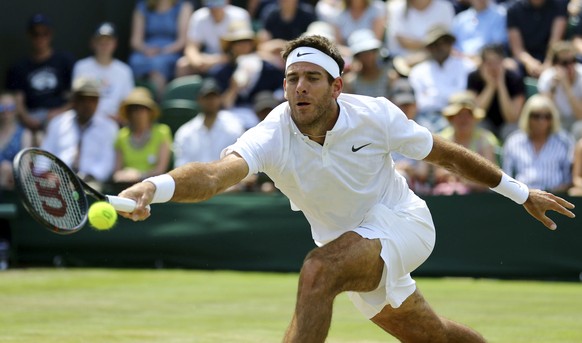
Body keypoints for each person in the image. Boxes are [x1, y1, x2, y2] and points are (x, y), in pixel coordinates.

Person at [116, 34, 575, 342]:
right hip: (346, 244)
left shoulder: (375, 114)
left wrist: (521, 193)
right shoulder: (272, 132)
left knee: (317, 272)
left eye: (312, 78)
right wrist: (155, 187)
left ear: (336, 86)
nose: (300, 88)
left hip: (404, 223)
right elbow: (217, 175)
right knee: (432, 335)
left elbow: (447, 155)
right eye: (292, 79)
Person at [5, 13, 75, 144]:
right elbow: (17, 101)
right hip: (30, 118)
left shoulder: (65, 61)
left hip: (60, 117)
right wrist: (27, 120)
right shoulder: (18, 67)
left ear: (51, 34)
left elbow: (75, 98)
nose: (40, 38)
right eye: (35, 34)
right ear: (29, 36)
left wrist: (58, 113)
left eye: (45, 33)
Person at [41, 77, 118, 189]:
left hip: (91, 182)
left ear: (98, 102)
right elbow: (44, 155)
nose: (87, 104)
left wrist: (87, 177)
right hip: (57, 180)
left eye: (92, 99)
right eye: (82, 99)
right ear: (74, 100)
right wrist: (47, 174)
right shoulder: (58, 123)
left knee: (93, 189)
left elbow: (107, 162)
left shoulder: (109, 127)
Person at [209, 20, 284, 129]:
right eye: (238, 42)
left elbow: (280, 90)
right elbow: (221, 105)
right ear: (231, 47)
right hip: (232, 122)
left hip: (263, 121)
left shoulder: (268, 69)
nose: (243, 46)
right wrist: (233, 88)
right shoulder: (222, 72)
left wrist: (269, 101)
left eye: (246, 42)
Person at [408, 25, 475, 132]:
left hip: (459, 115)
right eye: (434, 45)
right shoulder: (418, 71)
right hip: (426, 117)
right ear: (429, 48)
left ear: (450, 44)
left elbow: (469, 97)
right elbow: (419, 103)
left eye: (443, 43)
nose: (438, 48)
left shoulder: (467, 66)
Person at [503, 94, 575, 193]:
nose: (542, 121)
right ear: (527, 117)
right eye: (536, 116)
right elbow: (507, 176)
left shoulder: (564, 141)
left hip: (556, 197)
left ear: (552, 119)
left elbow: (570, 179)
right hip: (522, 197)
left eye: (546, 117)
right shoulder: (514, 142)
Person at [433, 91, 501, 195]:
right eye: (459, 114)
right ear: (452, 118)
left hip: (480, 197)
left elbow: (490, 176)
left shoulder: (486, 139)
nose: (464, 119)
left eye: (468, 114)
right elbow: (439, 172)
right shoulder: (442, 139)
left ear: (474, 117)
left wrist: (464, 181)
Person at [128, 0, 193, 100]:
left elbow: (182, 41)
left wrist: (163, 51)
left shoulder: (183, 6)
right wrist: (146, 49)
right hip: (146, 52)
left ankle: (160, 102)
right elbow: (135, 41)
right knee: (135, 61)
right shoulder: (142, 7)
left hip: (171, 51)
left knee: (158, 64)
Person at [173, 77, 244, 167]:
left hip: (228, 179)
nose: (211, 101)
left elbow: (238, 162)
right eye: (207, 97)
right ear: (199, 100)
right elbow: (181, 167)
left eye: (214, 97)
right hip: (196, 180)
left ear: (220, 99)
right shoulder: (185, 133)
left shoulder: (234, 126)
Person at [73, 22, 134, 123]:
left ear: (115, 44)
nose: (104, 45)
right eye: (100, 41)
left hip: (115, 123)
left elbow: (127, 102)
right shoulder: (81, 67)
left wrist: (119, 118)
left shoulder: (124, 71)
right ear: (93, 43)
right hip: (86, 121)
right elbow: (77, 100)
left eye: (108, 41)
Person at [175, 0, 252, 77]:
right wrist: (198, 62)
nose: (214, 5)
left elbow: (243, 50)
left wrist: (216, 60)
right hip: (206, 58)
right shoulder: (198, 17)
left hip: (232, 61)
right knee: (183, 64)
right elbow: (191, 47)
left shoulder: (240, 15)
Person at [113, 87, 172, 184]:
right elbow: (116, 172)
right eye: (133, 109)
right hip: (125, 186)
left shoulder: (162, 132)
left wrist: (139, 175)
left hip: (154, 187)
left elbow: (161, 170)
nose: (137, 113)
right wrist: (124, 176)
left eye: (142, 109)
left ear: (150, 112)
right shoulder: (121, 135)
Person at [467, 44, 525, 140]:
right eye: (489, 63)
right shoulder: (473, 77)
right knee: (477, 127)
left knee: (512, 131)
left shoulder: (515, 78)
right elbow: (475, 114)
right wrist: (490, 86)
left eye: (497, 62)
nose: (493, 67)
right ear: (482, 63)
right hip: (485, 124)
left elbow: (512, 118)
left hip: (507, 125)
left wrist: (501, 84)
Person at [386, 0, 455, 76]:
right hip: (402, 68)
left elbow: (446, 41)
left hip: (437, 64)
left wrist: (424, 55)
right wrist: (434, 43)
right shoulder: (395, 8)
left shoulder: (445, 7)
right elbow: (402, 41)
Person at [506, 0, 568, 78]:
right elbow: (517, 49)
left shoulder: (559, 5)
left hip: (551, 57)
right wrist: (529, 63)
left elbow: (555, 42)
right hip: (525, 60)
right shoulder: (514, 9)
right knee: (510, 69)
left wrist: (548, 63)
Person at [537, 40, 582, 140]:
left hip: (577, 122)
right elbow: (544, 112)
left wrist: (567, 87)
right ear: (555, 65)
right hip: (558, 122)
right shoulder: (547, 78)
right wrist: (553, 87)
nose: (570, 66)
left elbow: (580, 116)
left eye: (573, 61)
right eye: (565, 63)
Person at [342, 29, 395, 98]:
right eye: (364, 53)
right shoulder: (350, 82)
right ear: (357, 56)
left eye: (372, 51)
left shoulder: (390, 77)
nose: (369, 56)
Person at [451, 0, 508, 64]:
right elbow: (453, 48)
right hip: (461, 62)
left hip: (488, 62)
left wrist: (479, 58)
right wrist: (467, 57)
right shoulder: (460, 19)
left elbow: (498, 45)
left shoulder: (500, 15)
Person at [0, 92, 33, 190]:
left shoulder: (25, 134)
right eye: (1, 107)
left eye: (10, 107)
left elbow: (25, 165)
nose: (6, 112)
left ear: (15, 110)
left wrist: (16, 178)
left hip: (14, 185)